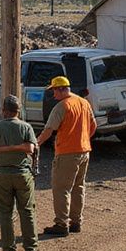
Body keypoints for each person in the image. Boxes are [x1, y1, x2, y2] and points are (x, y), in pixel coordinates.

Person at [36, 75, 97, 237]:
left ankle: (61, 224)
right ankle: (76, 222)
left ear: (61, 89)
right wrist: (82, 139)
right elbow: (93, 125)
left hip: (67, 153)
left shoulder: (62, 106)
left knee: (61, 188)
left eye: (54, 91)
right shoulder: (83, 102)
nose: (53, 94)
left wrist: (36, 144)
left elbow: (49, 130)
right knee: (78, 187)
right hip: (84, 151)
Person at [0, 94, 40, 251]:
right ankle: (31, 250)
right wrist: (15, 148)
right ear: (18, 110)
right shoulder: (26, 127)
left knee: (5, 214)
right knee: (27, 211)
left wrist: (1, 150)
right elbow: (30, 148)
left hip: (2, 175)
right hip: (23, 173)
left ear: (3, 111)